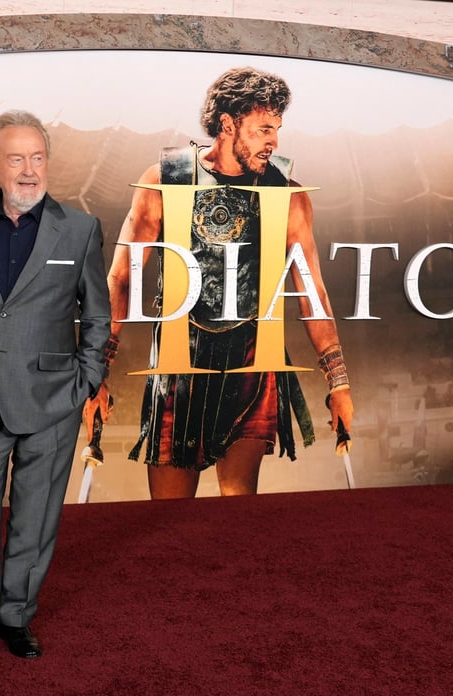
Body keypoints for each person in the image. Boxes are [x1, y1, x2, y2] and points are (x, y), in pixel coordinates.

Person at [94, 66, 355, 499]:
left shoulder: (287, 195)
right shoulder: (164, 181)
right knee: (170, 524)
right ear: (228, 124)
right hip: (179, 367)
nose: (274, 141)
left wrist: (339, 383)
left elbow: (313, 294)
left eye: (278, 129)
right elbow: (122, 278)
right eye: (263, 129)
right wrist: (96, 371)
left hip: (251, 365)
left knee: (236, 515)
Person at [0, 110, 110, 660]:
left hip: (53, 399)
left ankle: (16, 615)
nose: (29, 170)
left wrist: (86, 381)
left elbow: (98, 316)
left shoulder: (81, 228)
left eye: (38, 158)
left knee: (36, 517)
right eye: (16, 159)